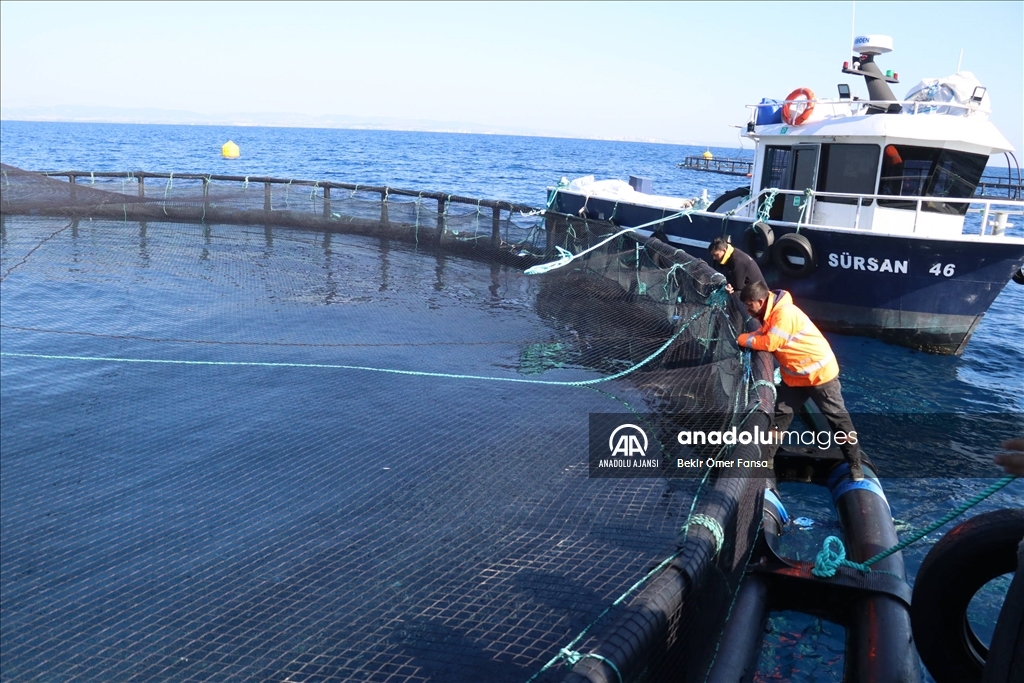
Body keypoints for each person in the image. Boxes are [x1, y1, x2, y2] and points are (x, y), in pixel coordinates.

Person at [737, 281, 864, 481]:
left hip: (821, 376)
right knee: (779, 417)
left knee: (838, 420)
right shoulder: (770, 313)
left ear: (760, 302)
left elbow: (770, 342)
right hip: (796, 378)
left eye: (749, 305)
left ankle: (855, 463)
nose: (747, 309)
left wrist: (743, 340)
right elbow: (763, 334)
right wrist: (749, 336)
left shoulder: (784, 315)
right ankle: (767, 460)